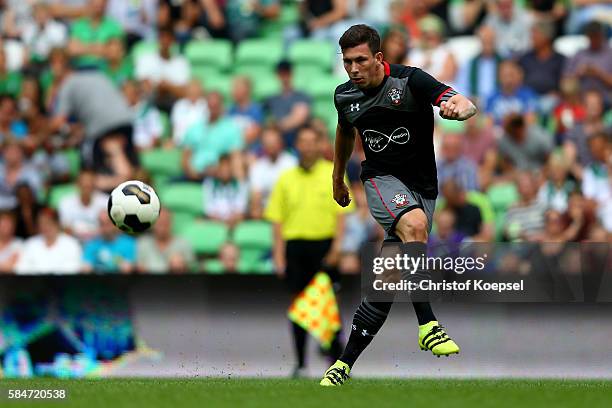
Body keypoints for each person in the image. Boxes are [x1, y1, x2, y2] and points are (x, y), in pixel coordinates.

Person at [321, 24, 477, 386]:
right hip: (379, 180)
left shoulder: (410, 82)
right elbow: (345, 132)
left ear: (378, 58)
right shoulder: (344, 96)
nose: (353, 69)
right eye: (347, 62)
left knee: (386, 282)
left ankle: (341, 366)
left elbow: (452, 98)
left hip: (423, 186)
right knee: (415, 225)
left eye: (360, 60)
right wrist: (336, 178)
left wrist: (461, 108)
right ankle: (428, 324)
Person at [265, 125, 353, 378]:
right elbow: (277, 221)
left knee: (329, 308)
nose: (307, 146)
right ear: (297, 146)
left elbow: (341, 216)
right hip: (295, 249)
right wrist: (279, 256)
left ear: (320, 144)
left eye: (312, 141)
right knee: (299, 309)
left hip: (324, 247)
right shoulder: (285, 178)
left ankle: (337, 364)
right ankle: (301, 364)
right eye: (302, 141)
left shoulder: (334, 174)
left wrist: (337, 248)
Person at [48, 48, 138, 192]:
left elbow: (57, 123)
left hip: (103, 128)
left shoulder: (68, 84)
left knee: (99, 168)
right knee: (125, 161)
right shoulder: (99, 76)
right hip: (127, 122)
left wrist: (38, 135)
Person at [248, 126, 297, 219]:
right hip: (265, 214)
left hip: (288, 212)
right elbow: (256, 198)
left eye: (273, 142)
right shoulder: (257, 167)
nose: (271, 146)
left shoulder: (292, 163)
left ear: (281, 143)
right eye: (267, 143)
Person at [15, 207, 82, 274]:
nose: (45, 226)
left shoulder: (71, 244)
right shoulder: (30, 244)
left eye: (48, 222)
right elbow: (22, 269)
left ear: (57, 223)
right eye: (41, 223)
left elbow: (73, 269)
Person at [265, 60, 312, 148]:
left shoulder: (301, 96)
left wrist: (277, 126)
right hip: (277, 144)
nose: (284, 76)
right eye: (281, 73)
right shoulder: (271, 99)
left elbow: (299, 119)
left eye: (287, 72)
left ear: (291, 73)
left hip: (297, 142)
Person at [136, 209, 195, 273]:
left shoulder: (183, 243)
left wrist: (182, 266)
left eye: (165, 222)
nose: (162, 227)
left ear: (171, 223)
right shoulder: (143, 243)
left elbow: (193, 270)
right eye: (159, 222)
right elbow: (138, 269)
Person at [58, 168, 109, 242]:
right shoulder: (65, 203)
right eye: (84, 186)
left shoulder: (106, 202)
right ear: (77, 184)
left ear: (94, 185)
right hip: (74, 243)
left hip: (100, 244)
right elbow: (66, 230)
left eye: (89, 186)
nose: (86, 190)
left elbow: (109, 228)